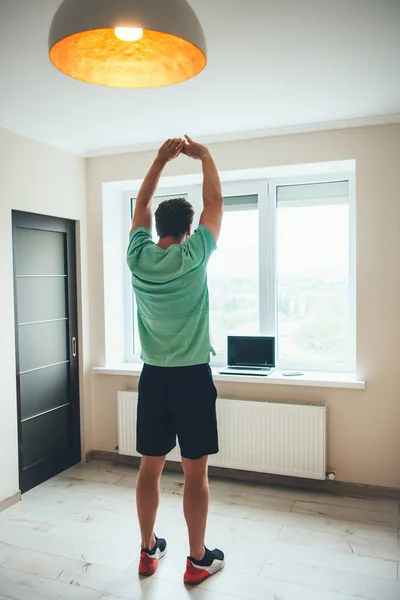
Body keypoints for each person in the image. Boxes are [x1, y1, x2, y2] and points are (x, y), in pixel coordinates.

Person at [126, 136, 224, 586]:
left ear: (154, 227)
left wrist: (160, 160)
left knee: (150, 465)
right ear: (189, 230)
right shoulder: (195, 254)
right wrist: (203, 156)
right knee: (195, 472)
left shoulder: (138, 257)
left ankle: (148, 553)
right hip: (191, 378)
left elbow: (142, 202)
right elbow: (215, 201)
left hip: (153, 378)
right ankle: (197, 559)